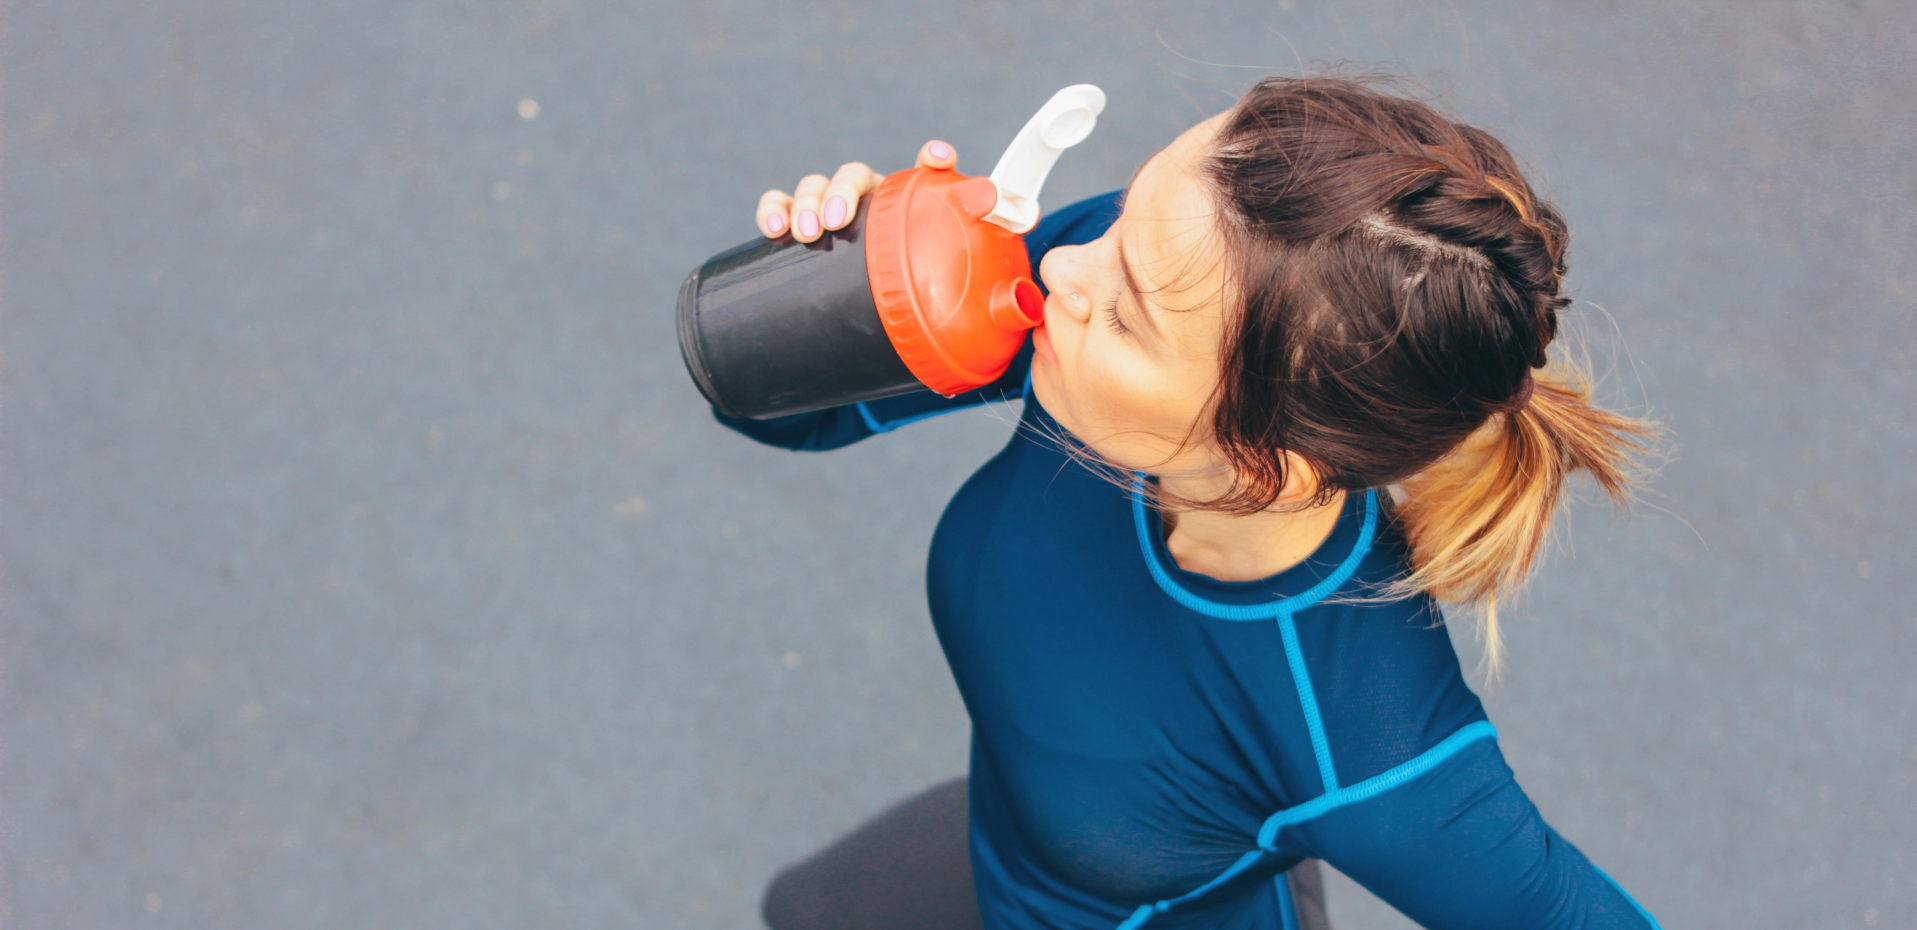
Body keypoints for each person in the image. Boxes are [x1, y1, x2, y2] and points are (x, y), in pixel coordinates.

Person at [720, 76, 1663, 930]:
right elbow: (785, 414)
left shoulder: (1363, 734)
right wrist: (831, 289)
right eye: (1125, 213)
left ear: (1263, 468)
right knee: (799, 910)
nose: (1059, 267)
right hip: (1009, 862)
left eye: (1127, 312)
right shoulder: (1122, 288)